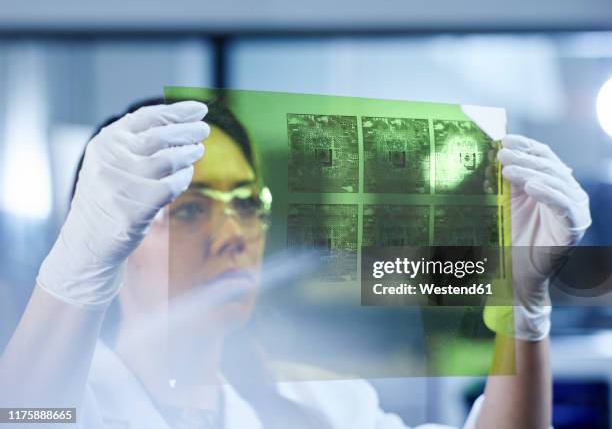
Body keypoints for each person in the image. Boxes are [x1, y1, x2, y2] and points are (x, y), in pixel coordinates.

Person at [0, 97, 591, 429]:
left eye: (248, 204)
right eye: (189, 212)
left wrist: (521, 306)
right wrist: (76, 266)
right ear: (112, 237)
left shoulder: (320, 407)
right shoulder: (68, 397)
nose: (235, 235)